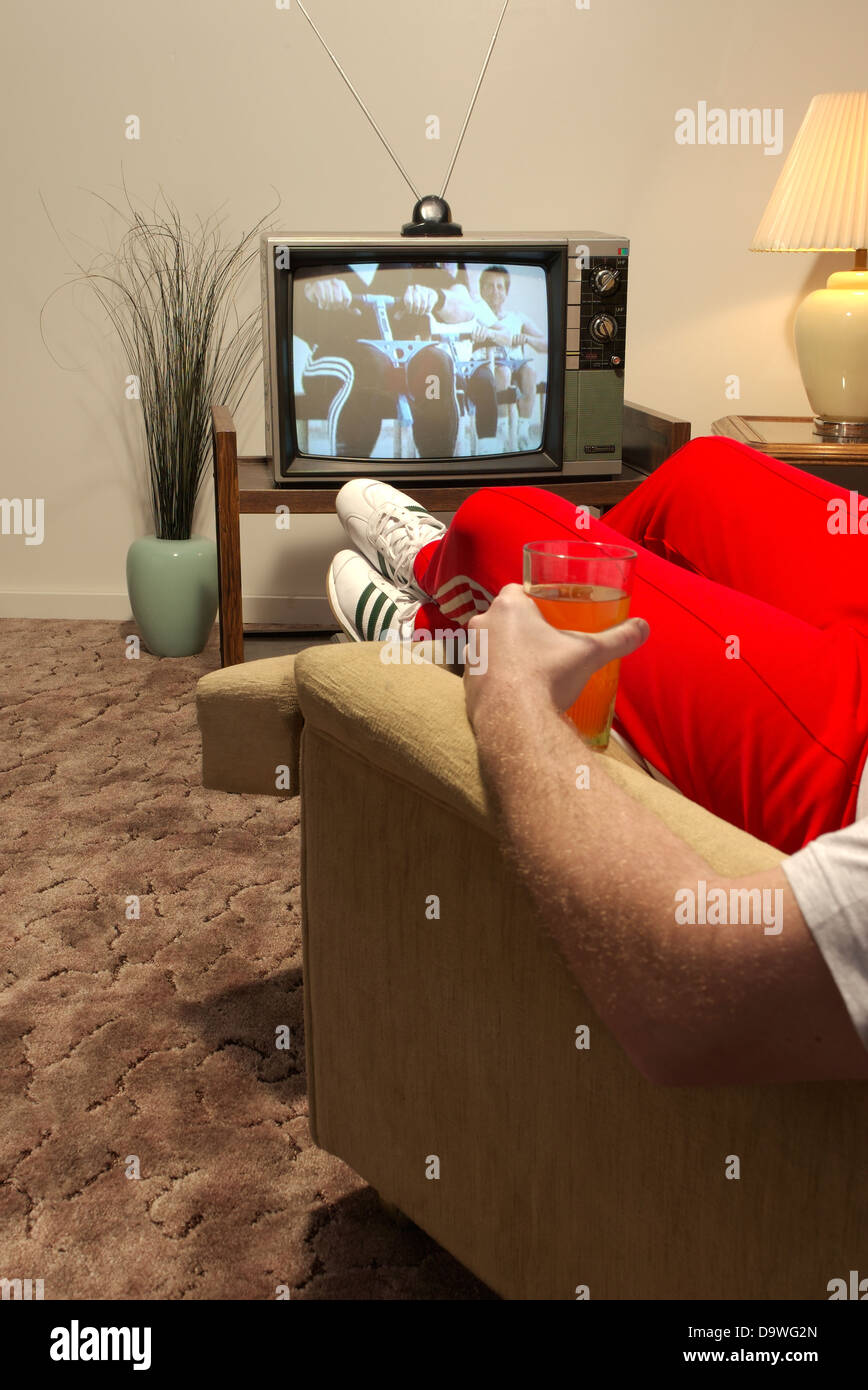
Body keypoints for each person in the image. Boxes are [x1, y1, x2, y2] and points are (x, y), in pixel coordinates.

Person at [324, 437, 868, 1085]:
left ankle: (443, 618)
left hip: (847, 762)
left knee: (499, 524)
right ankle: (458, 601)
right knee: (700, 470)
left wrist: (514, 695)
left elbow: (688, 991)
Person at [293, 262, 477, 458]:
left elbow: (466, 307)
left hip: (397, 366)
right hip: (339, 362)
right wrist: (312, 290)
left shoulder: (407, 262)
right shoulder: (318, 264)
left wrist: (437, 297)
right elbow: (289, 305)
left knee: (437, 362)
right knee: (369, 365)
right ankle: (350, 474)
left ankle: (437, 467)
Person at [473, 265, 548, 450]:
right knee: (502, 372)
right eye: (489, 286)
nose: (494, 291)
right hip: (491, 366)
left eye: (500, 287)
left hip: (515, 364)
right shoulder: (476, 315)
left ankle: (523, 428)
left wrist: (526, 338)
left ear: (506, 291)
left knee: (529, 371)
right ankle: (501, 427)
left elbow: (546, 344)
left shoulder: (516, 317)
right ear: (481, 289)